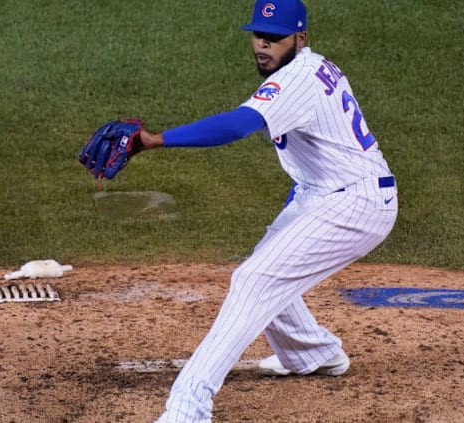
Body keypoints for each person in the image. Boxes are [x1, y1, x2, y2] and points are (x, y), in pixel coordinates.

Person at [132, 1, 398, 421]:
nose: (263, 45)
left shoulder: (296, 80)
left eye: (274, 38)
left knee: (253, 280)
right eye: (258, 35)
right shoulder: (309, 68)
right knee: (266, 268)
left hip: (354, 202)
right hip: (327, 192)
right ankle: (313, 353)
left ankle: (188, 408)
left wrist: (154, 141)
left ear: (300, 39)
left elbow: (237, 125)